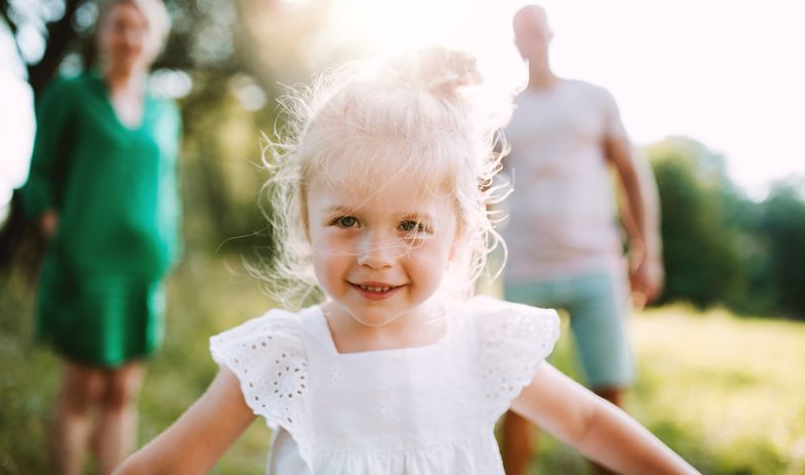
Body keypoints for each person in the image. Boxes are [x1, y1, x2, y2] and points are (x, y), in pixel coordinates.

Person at [114, 46, 694, 475]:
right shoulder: (284, 354)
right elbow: (170, 464)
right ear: (305, 218)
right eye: (346, 221)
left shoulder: (481, 342)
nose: (376, 256)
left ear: (459, 232)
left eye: (412, 227)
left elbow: (588, 423)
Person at [20, 0, 181, 474]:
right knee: (81, 390)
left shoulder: (165, 111)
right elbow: (40, 176)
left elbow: (169, 187)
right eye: (120, 25)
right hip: (84, 264)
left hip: (141, 270)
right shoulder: (71, 95)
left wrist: (167, 250)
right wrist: (60, 235)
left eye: (141, 28)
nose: (130, 37)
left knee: (122, 391)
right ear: (101, 34)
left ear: (156, 39)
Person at [498, 5, 665, 474]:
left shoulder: (593, 99)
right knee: (513, 397)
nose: (529, 39)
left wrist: (648, 252)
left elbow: (632, 174)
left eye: (535, 29)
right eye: (520, 33)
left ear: (550, 33)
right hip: (526, 269)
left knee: (609, 397)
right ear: (514, 43)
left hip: (595, 265)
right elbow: (475, 190)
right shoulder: (503, 111)